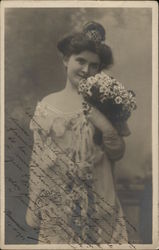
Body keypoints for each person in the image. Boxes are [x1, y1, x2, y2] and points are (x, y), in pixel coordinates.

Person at [26, 22, 130, 244]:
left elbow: (118, 152)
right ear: (66, 60)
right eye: (80, 61)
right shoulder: (47, 105)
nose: (85, 70)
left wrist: (103, 123)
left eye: (94, 65)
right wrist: (35, 206)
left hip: (100, 206)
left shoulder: (106, 102)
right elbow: (37, 160)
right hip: (59, 209)